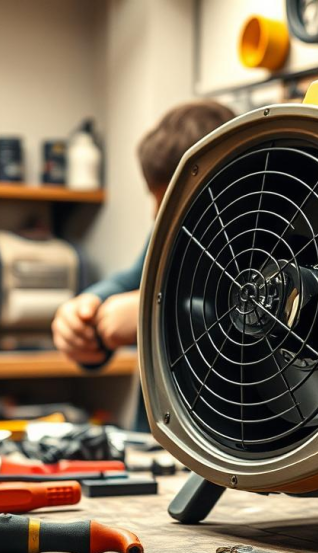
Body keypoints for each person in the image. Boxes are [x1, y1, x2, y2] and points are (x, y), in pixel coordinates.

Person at [52, 100, 235, 366]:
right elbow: (132, 281)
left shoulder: (266, 233)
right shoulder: (173, 229)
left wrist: (155, 315)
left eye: (170, 202)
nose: (155, 215)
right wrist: (87, 309)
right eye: (157, 200)